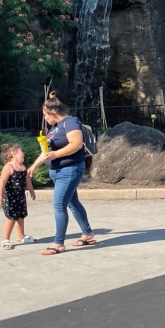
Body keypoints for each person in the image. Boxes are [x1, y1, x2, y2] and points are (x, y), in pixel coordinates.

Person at [27, 91, 96, 255]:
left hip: (69, 170)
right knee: (73, 203)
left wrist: (56, 155)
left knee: (59, 206)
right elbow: (46, 151)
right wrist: (34, 166)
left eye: (45, 115)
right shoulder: (54, 128)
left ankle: (58, 243)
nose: (44, 118)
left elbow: (77, 144)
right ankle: (87, 234)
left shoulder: (71, 122)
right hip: (57, 172)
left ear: (53, 113)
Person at [0, 143, 36, 250]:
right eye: (21, 152)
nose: (24, 155)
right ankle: (5, 239)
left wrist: (31, 191)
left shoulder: (22, 167)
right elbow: (2, 182)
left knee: (21, 216)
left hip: (20, 196)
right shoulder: (8, 167)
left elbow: (27, 180)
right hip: (10, 197)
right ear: (13, 153)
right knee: (11, 217)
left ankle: (21, 236)